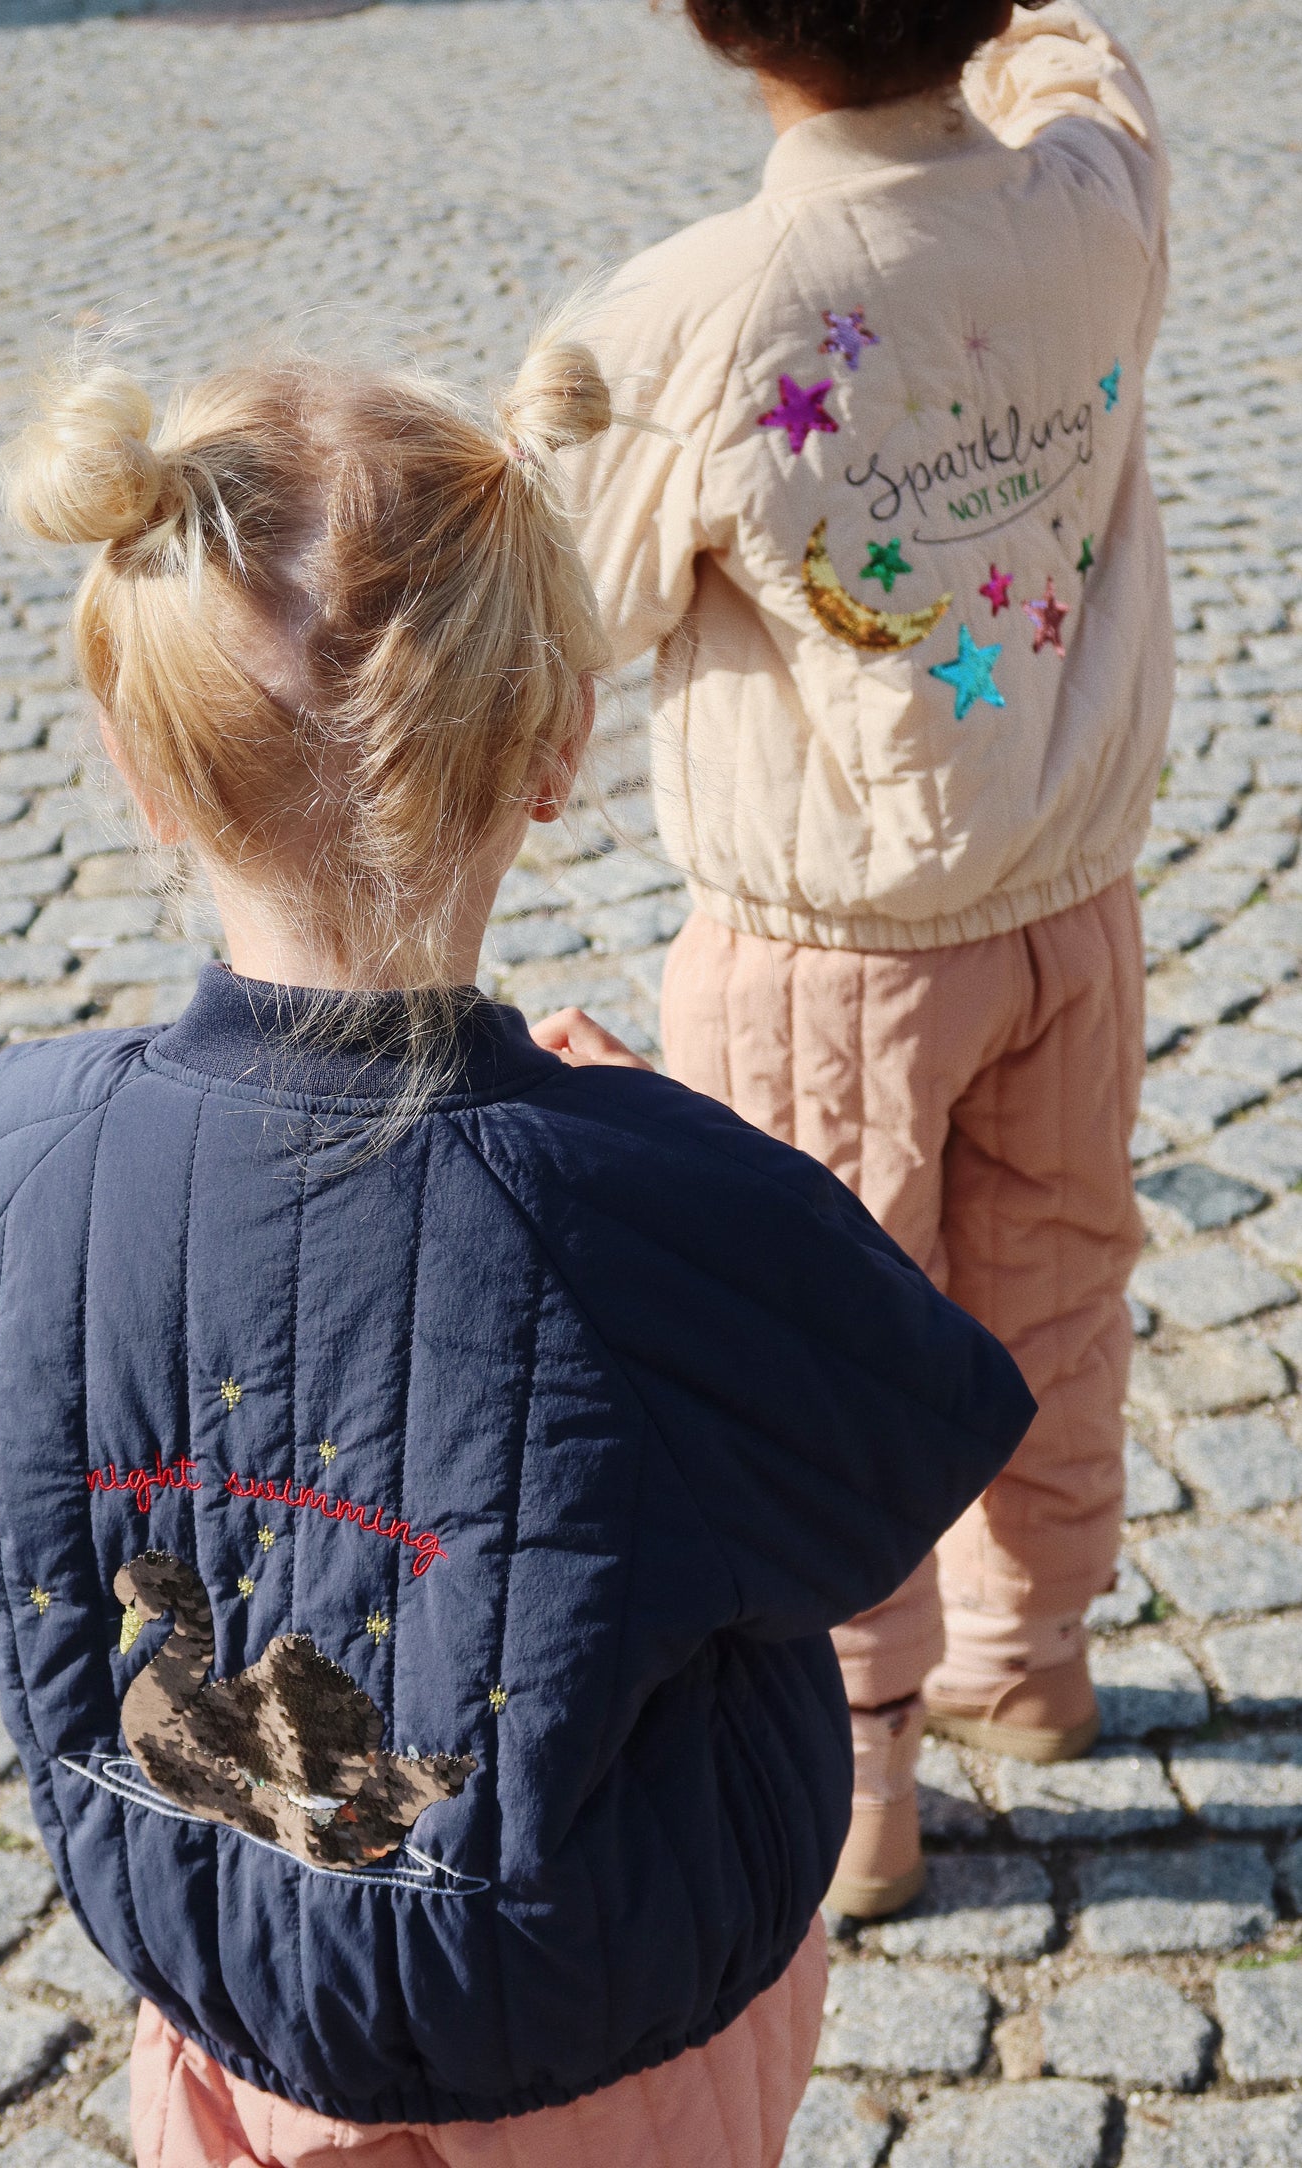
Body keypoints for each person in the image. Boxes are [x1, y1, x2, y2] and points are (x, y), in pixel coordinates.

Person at [0, 335, 1032, 2168]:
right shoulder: (655, 1204)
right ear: (555, 749)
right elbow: (898, 1456)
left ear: (144, 768)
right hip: (604, 2031)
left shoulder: (26, 1146)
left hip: (225, 1993)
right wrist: (667, 1143)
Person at [566, 0, 1171, 1917]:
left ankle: (862, 1785)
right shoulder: (1095, 198)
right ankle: (1032, 1661)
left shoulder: (688, 314)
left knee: (807, 1353)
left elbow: (568, 599)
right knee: (1058, 1279)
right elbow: (1086, 74)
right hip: (1067, 902)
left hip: (823, 939)